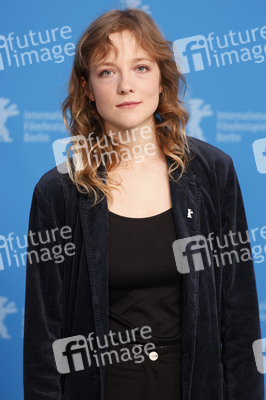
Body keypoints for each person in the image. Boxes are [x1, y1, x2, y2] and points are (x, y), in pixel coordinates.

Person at [23, 7, 264, 400]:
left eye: (140, 68)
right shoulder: (57, 193)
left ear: (161, 78)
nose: (125, 86)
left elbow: (239, 320)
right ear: (87, 88)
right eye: (107, 71)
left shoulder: (213, 173)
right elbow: (43, 341)